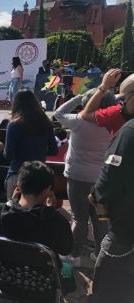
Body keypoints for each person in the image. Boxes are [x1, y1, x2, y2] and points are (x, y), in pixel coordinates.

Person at [0, 161, 73, 285]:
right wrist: (50, 211)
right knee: (67, 269)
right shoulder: (57, 221)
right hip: (43, 284)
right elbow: (66, 250)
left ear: (18, 186)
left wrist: (11, 202)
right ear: (48, 190)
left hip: (7, 278)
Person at [53, 88, 112, 266]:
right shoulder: (114, 123)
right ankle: (100, 255)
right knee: (102, 218)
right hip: (102, 180)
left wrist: (78, 98)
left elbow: (58, 113)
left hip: (77, 177)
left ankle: (74, 255)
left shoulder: (78, 121)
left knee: (79, 217)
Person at [89, 119, 134, 302]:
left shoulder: (129, 131)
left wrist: (103, 216)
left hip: (123, 238)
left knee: (108, 293)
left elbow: (101, 192)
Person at [4, 90, 58, 199]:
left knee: (13, 213)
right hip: (40, 176)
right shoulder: (46, 123)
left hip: (18, 174)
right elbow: (54, 150)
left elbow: (8, 155)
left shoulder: (14, 125)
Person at [80, 69, 134, 137]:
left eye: (122, 99)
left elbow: (86, 114)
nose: (121, 102)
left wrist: (104, 86)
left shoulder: (117, 113)